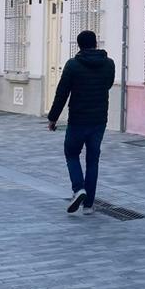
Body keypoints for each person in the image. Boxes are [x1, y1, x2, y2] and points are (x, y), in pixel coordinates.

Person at [47, 30, 116, 216]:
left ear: (79, 45)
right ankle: (88, 205)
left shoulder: (73, 65)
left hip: (78, 119)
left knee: (71, 153)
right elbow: (108, 85)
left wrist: (53, 118)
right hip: (99, 120)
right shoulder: (109, 64)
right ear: (96, 43)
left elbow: (62, 93)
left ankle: (78, 189)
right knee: (93, 160)